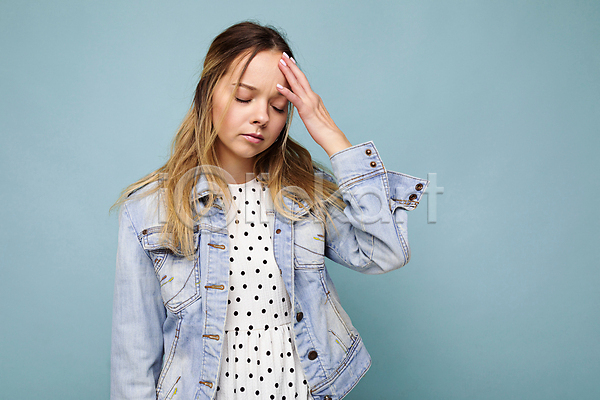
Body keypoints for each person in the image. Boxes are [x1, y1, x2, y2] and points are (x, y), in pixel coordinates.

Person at [110, 21, 428, 400]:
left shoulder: (302, 194)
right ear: (207, 94)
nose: (262, 116)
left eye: (278, 107)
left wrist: (329, 133)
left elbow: (385, 252)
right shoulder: (148, 209)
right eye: (244, 98)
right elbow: (134, 359)